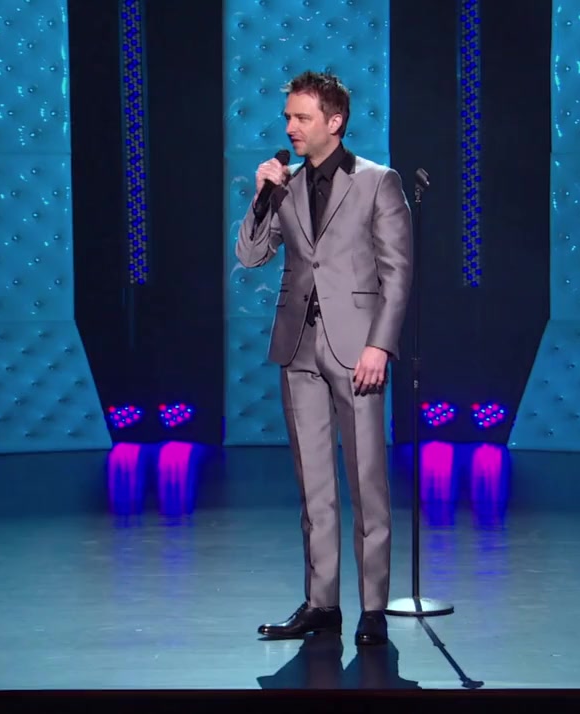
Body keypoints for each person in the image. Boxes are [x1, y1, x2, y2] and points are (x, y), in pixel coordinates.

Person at [234, 70, 413, 646]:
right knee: (314, 487)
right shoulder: (283, 184)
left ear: (334, 122)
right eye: (288, 116)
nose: (290, 126)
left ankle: (374, 609)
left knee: (367, 484)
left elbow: (397, 274)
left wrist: (380, 345)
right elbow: (250, 255)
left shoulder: (378, 182)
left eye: (301, 117)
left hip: (358, 349)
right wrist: (260, 196)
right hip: (298, 347)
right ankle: (322, 604)